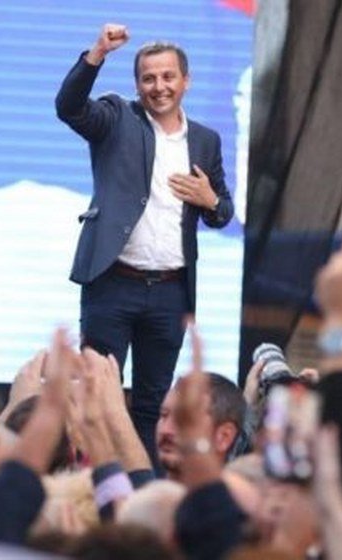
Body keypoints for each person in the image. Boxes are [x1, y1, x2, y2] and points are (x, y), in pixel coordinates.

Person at [55, 23, 234, 465]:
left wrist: (211, 200)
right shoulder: (117, 118)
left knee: (154, 406)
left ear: (186, 81)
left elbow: (223, 212)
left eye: (168, 76)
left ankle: (142, 491)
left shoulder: (205, 140)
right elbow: (69, 107)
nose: (159, 86)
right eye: (149, 78)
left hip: (171, 292)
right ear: (137, 85)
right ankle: (97, 489)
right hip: (113, 284)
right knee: (99, 397)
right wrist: (97, 52)